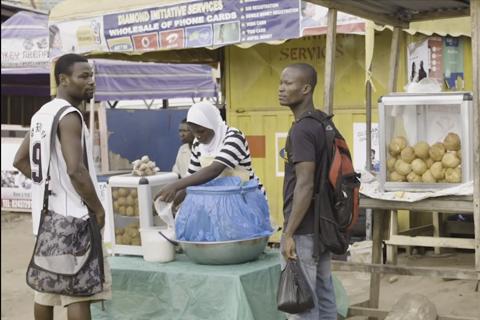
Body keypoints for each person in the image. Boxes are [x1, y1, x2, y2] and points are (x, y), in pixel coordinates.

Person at [13, 53, 111, 320]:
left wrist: (50, 185)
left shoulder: (42, 114)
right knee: (77, 294)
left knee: (45, 290)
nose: (91, 82)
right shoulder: (69, 116)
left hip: (46, 221)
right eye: (84, 76)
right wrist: (98, 210)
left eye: (92, 76)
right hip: (74, 220)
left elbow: (20, 161)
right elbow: (75, 170)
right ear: (63, 80)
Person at [278, 63, 337, 319]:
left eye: (288, 83)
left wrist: (288, 233)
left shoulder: (302, 129)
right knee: (324, 295)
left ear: (306, 88)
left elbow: (305, 184)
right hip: (323, 225)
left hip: (302, 229)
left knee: (301, 305)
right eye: (281, 82)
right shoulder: (323, 122)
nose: (281, 88)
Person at [156, 101, 264, 204]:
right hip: (221, 201)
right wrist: (172, 204)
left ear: (213, 124)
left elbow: (214, 170)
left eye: (201, 131)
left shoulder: (233, 137)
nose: (198, 136)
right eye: (193, 132)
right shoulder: (197, 144)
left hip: (246, 199)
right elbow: (191, 180)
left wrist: (174, 186)